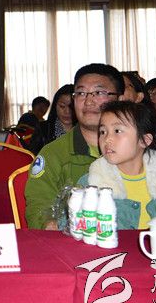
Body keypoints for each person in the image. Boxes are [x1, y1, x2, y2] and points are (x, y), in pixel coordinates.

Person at [25, 64, 123, 230]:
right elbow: (39, 206)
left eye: (99, 92)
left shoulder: (138, 150)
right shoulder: (54, 154)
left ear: (121, 100)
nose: (88, 101)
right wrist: (52, 225)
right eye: (81, 93)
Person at [77, 101, 156, 230]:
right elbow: (74, 225)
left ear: (145, 140)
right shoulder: (92, 183)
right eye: (102, 132)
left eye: (117, 131)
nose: (107, 139)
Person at [26, 84, 74, 155]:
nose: (67, 111)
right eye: (62, 106)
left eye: (71, 107)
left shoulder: (85, 130)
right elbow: (32, 155)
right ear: (55, 106)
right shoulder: (43, 129)